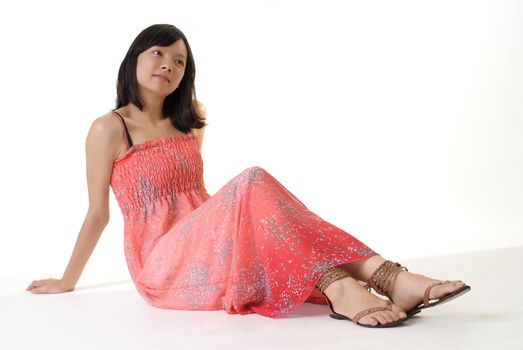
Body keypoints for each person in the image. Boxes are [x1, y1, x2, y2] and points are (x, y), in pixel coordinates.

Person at [26, 24, 470, 327]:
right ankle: (361, 286)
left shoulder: (192, 118)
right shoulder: (109, 128)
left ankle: (390, 279)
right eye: (158, 53)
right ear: (134, 60)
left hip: (208, 244)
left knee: (266, 204)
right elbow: (97, 215)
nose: (167, 64)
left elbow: (199, 197)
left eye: (179, 61)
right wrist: (67, 280)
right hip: (162, 262)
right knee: (253, 181)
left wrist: (253, 225)